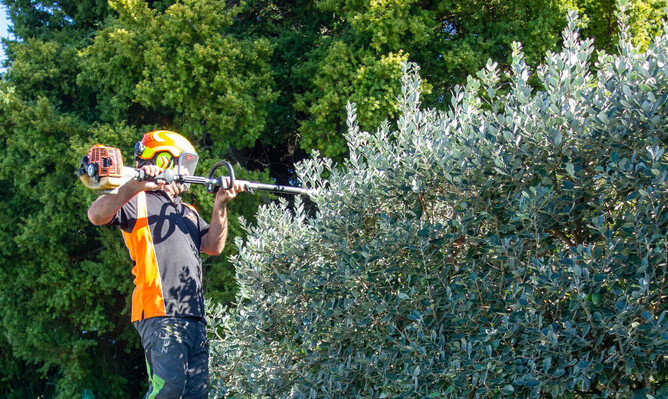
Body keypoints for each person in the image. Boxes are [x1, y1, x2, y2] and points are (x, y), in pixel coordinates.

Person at [87, 130, 244, 398]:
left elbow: (214, 246)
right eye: (182, 163)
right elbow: (96, 215)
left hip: (194, 317)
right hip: (160, 312)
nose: (187, 171)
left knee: (196, 394)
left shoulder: (189, 212)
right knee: (167, 390)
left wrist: (220, 205)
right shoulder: (137, 200)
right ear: (162, 161)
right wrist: (135, 185)